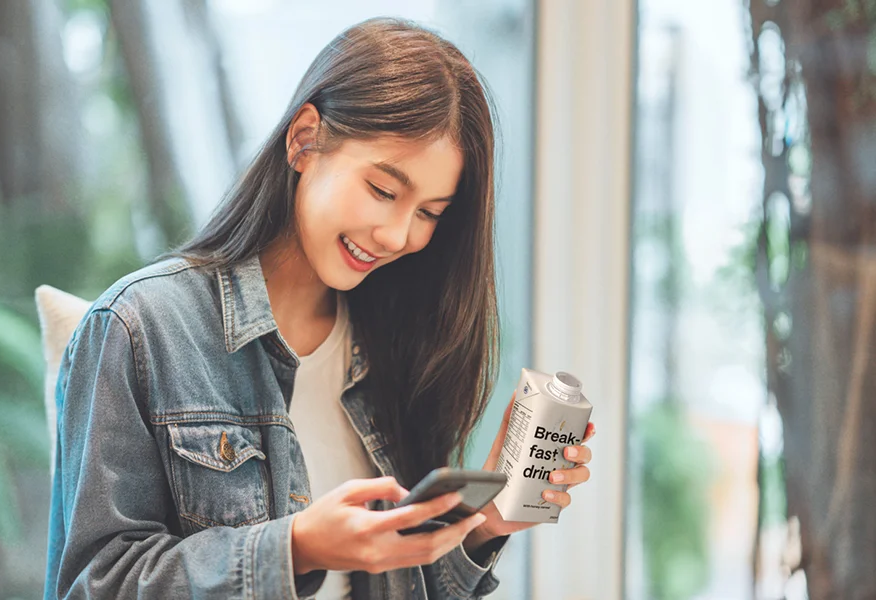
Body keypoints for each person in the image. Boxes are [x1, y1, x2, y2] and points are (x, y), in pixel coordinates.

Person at [43, 16, 594, 600]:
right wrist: (297, 547)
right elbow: (93, 585)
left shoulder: (396, 343)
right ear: (304, 139)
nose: (397, 235)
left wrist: (487, 525)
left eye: (430, 212)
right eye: (383, 190)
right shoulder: (140, 327)